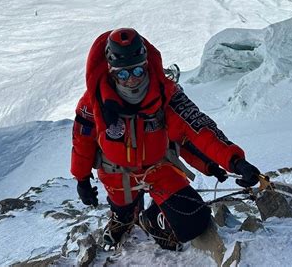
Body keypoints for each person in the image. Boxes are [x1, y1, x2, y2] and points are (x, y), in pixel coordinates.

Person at [71, 28, 260, 250]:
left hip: (158, 168)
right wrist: (81, 179)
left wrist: (235, 161)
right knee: (123, 209)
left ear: (147, 65)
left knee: (194, 217)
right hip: (116, 173)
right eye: (123, 74)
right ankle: (123, 217)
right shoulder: (93, 103)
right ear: (111, 71)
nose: (131, 80)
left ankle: (150, 221)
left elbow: (198, 127)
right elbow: (81, 142)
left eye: (138, 71)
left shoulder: (166, 93)